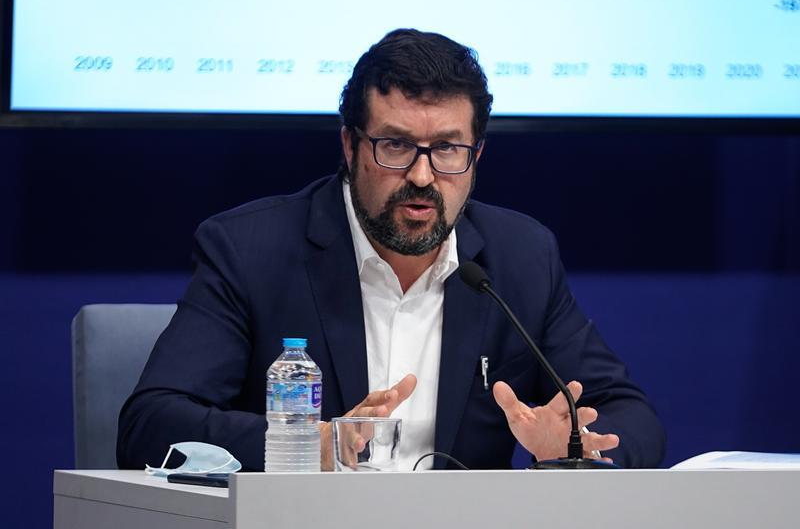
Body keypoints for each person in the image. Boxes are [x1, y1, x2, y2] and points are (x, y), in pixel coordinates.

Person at [117, 29, 665, 471]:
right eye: (396, 145)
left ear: (476, 155)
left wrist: (576, 450)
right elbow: (151, 425)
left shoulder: (520, 258)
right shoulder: (251, 250)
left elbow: (630, 415)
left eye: (447, 148)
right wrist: (309, 445)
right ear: (350, 145)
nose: (422, 176)